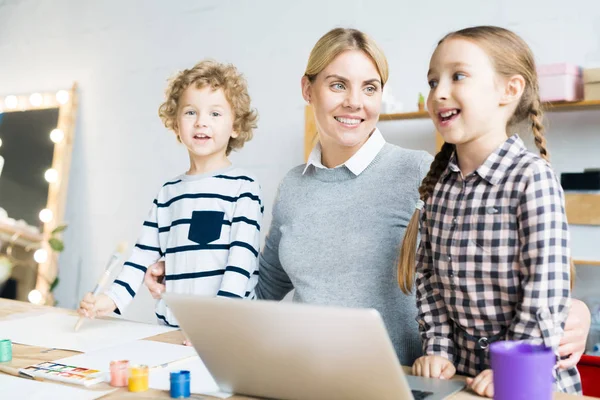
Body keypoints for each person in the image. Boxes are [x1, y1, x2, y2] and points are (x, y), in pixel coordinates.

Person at [144, 27, 591, 369]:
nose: (354, 102)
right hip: (307, 375)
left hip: (403, 381)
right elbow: (264, 287)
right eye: (338, 85)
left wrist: (575, 310)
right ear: (308, 89)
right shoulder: (294, 186)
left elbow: (499, 270)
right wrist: (191, 286)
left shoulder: (423, 172)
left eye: (370, 88)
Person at [400, 26, 582, 396]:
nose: (439, 93)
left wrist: (511, 367)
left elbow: (544, 290)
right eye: (433, 81)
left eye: (458, 76)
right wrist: (437, 350)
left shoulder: (532, 178)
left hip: (530, 382)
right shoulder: (438, 187)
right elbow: (429, 282)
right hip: (461, 384)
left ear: (509, 90)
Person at [78, 59, 262, 327]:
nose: (201, 123)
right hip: (175, 326)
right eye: (190, 113)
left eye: (215, 114)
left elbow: (241, 264)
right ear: (176, 124)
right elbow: (143, 254)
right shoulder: (168, 193)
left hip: (226, 329)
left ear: (236, 125)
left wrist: (216, 325)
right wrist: (112, 298)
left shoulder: (244, 187)